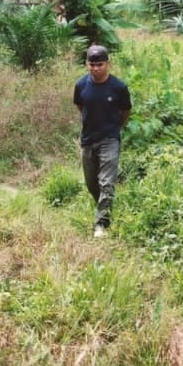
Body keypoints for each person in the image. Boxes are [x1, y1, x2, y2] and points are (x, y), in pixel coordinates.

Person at [73, 45, 132, 238]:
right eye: (92, 65)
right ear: (87, 64)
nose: (96, 68)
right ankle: (104, 206)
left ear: (108, 64)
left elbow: (126, 111)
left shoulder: (119, 87)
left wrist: (114, 127)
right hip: (88, 139)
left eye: (100, 64)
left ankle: (101, 223)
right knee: (92, 183)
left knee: (107, 182)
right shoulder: (81, 85)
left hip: (110, 139)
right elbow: (80, 106)